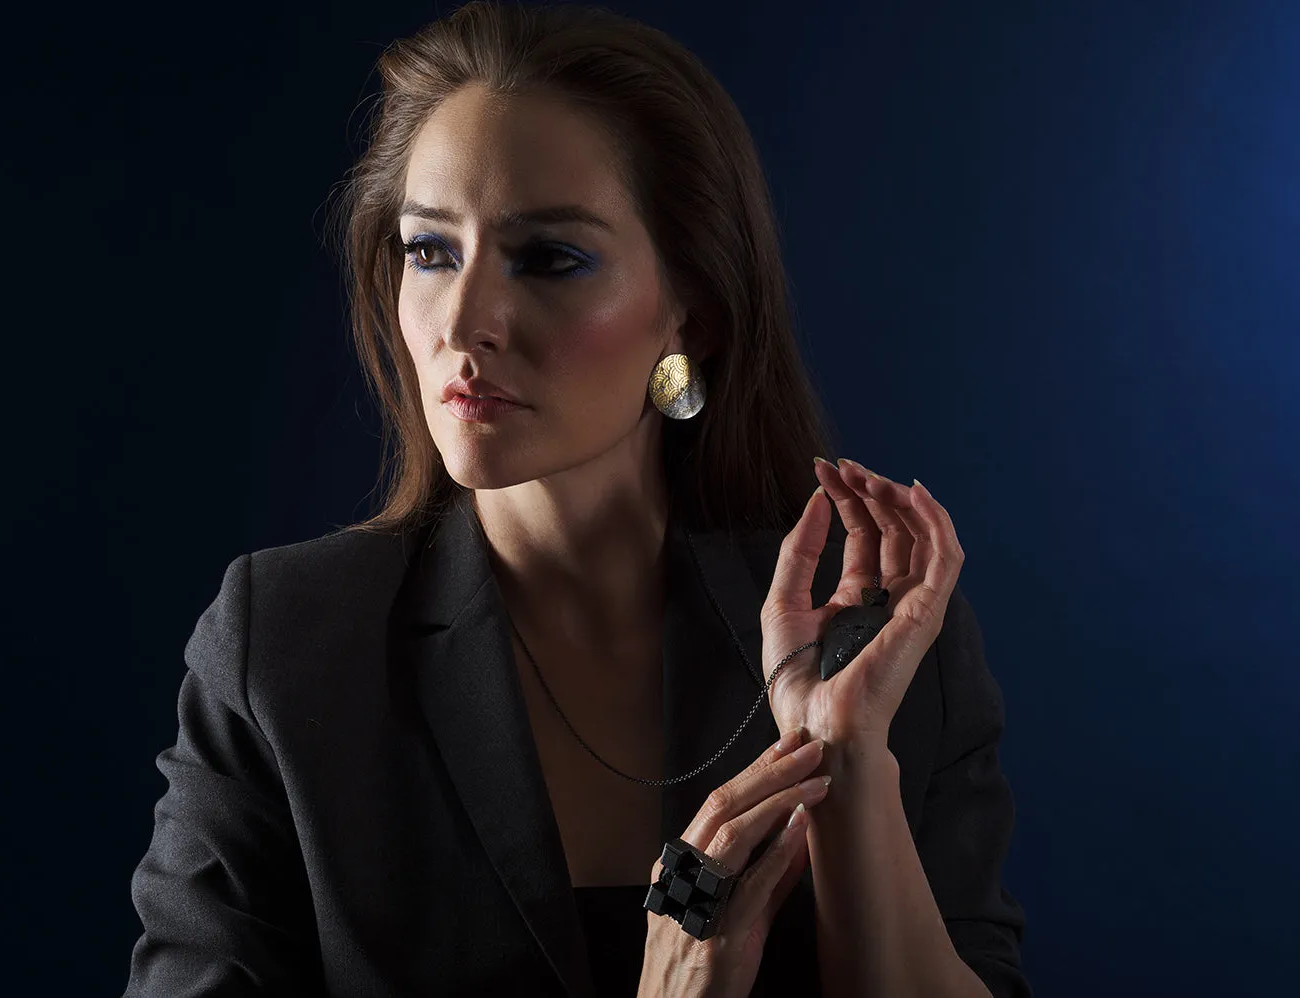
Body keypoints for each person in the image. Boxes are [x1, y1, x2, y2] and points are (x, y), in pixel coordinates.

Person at [122, 2, 1031, 996]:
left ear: (697, 310)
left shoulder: (876, 643)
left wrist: (849, 772)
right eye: (431, 250)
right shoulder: (288, 647)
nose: (465, 321)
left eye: (549, 258)